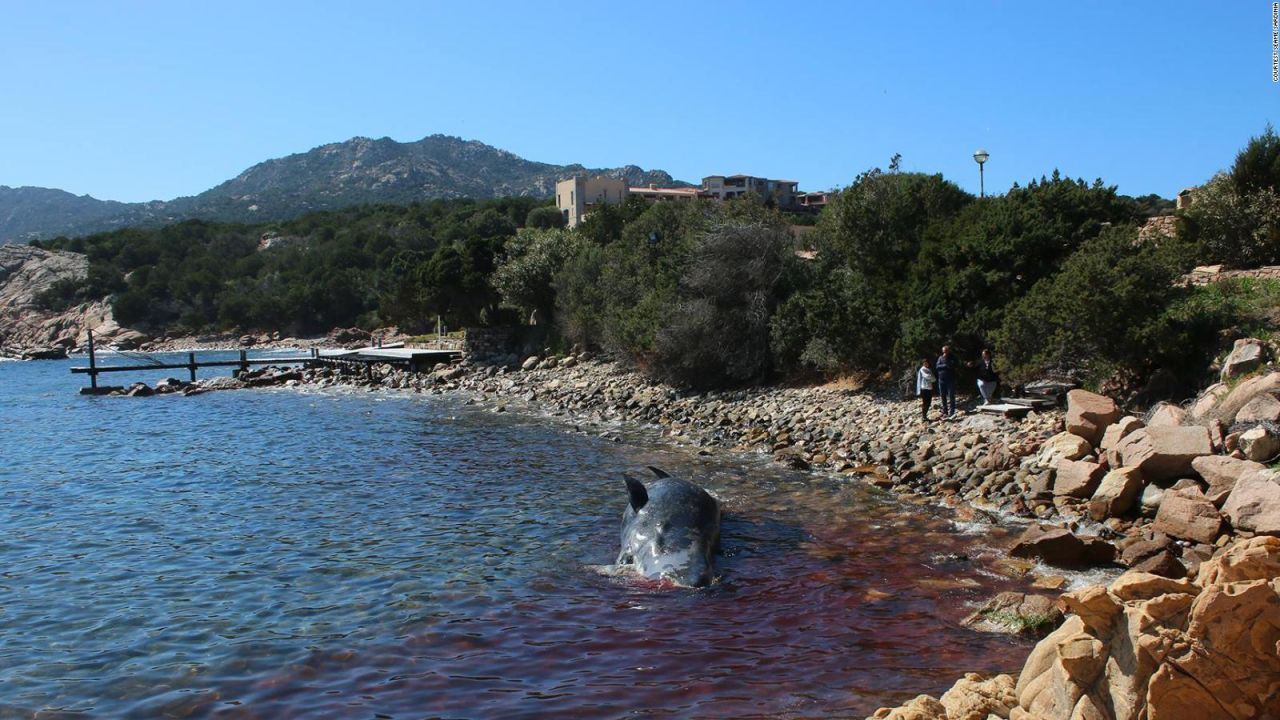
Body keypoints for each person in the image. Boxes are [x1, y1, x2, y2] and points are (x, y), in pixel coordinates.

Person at [935, 345, 958, 417]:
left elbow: (953, 365)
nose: (945, 353)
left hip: (950, 379)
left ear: (948, 351)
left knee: (951, 395)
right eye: (943, 351)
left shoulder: (953, 357)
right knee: (943, 395)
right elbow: (937, 366)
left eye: (946, 351)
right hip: (941, 379)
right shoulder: (940, 358)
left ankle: (952, 411)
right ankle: (945, 411)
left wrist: (946, 366)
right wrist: (944, 365)